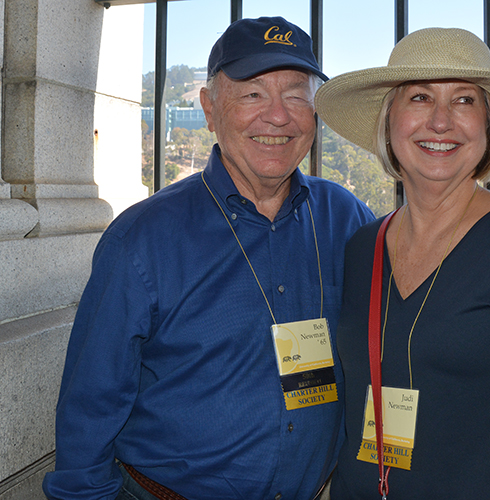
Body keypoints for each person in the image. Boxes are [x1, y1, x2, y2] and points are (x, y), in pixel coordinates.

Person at [43, 16, 373, 500]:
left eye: (297, 94)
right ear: (210, 108)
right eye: (253, 94)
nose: (278, 116)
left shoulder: (346, 218)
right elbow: (90, 406)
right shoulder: (141, 239)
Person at [314, 27, 490, 499]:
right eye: (421, 98)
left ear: (487, 127)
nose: (441, 122)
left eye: (465, 101)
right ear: (390, 123)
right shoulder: (362, 246)